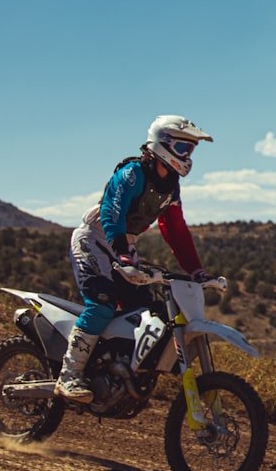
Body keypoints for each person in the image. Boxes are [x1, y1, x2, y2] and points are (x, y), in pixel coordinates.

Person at [55, 114, 214, 403]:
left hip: (124, 247)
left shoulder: (171, 186)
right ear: (163, 144)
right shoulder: (132, 173)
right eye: (183, 148)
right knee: (102, 303)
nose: (188, 156)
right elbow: (111, 213)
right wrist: (124, 257)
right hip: (96, 239)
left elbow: (175, 231)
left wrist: (197, 271)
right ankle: (70, 374)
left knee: (146, 309)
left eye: (191, 150)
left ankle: (116, 369)